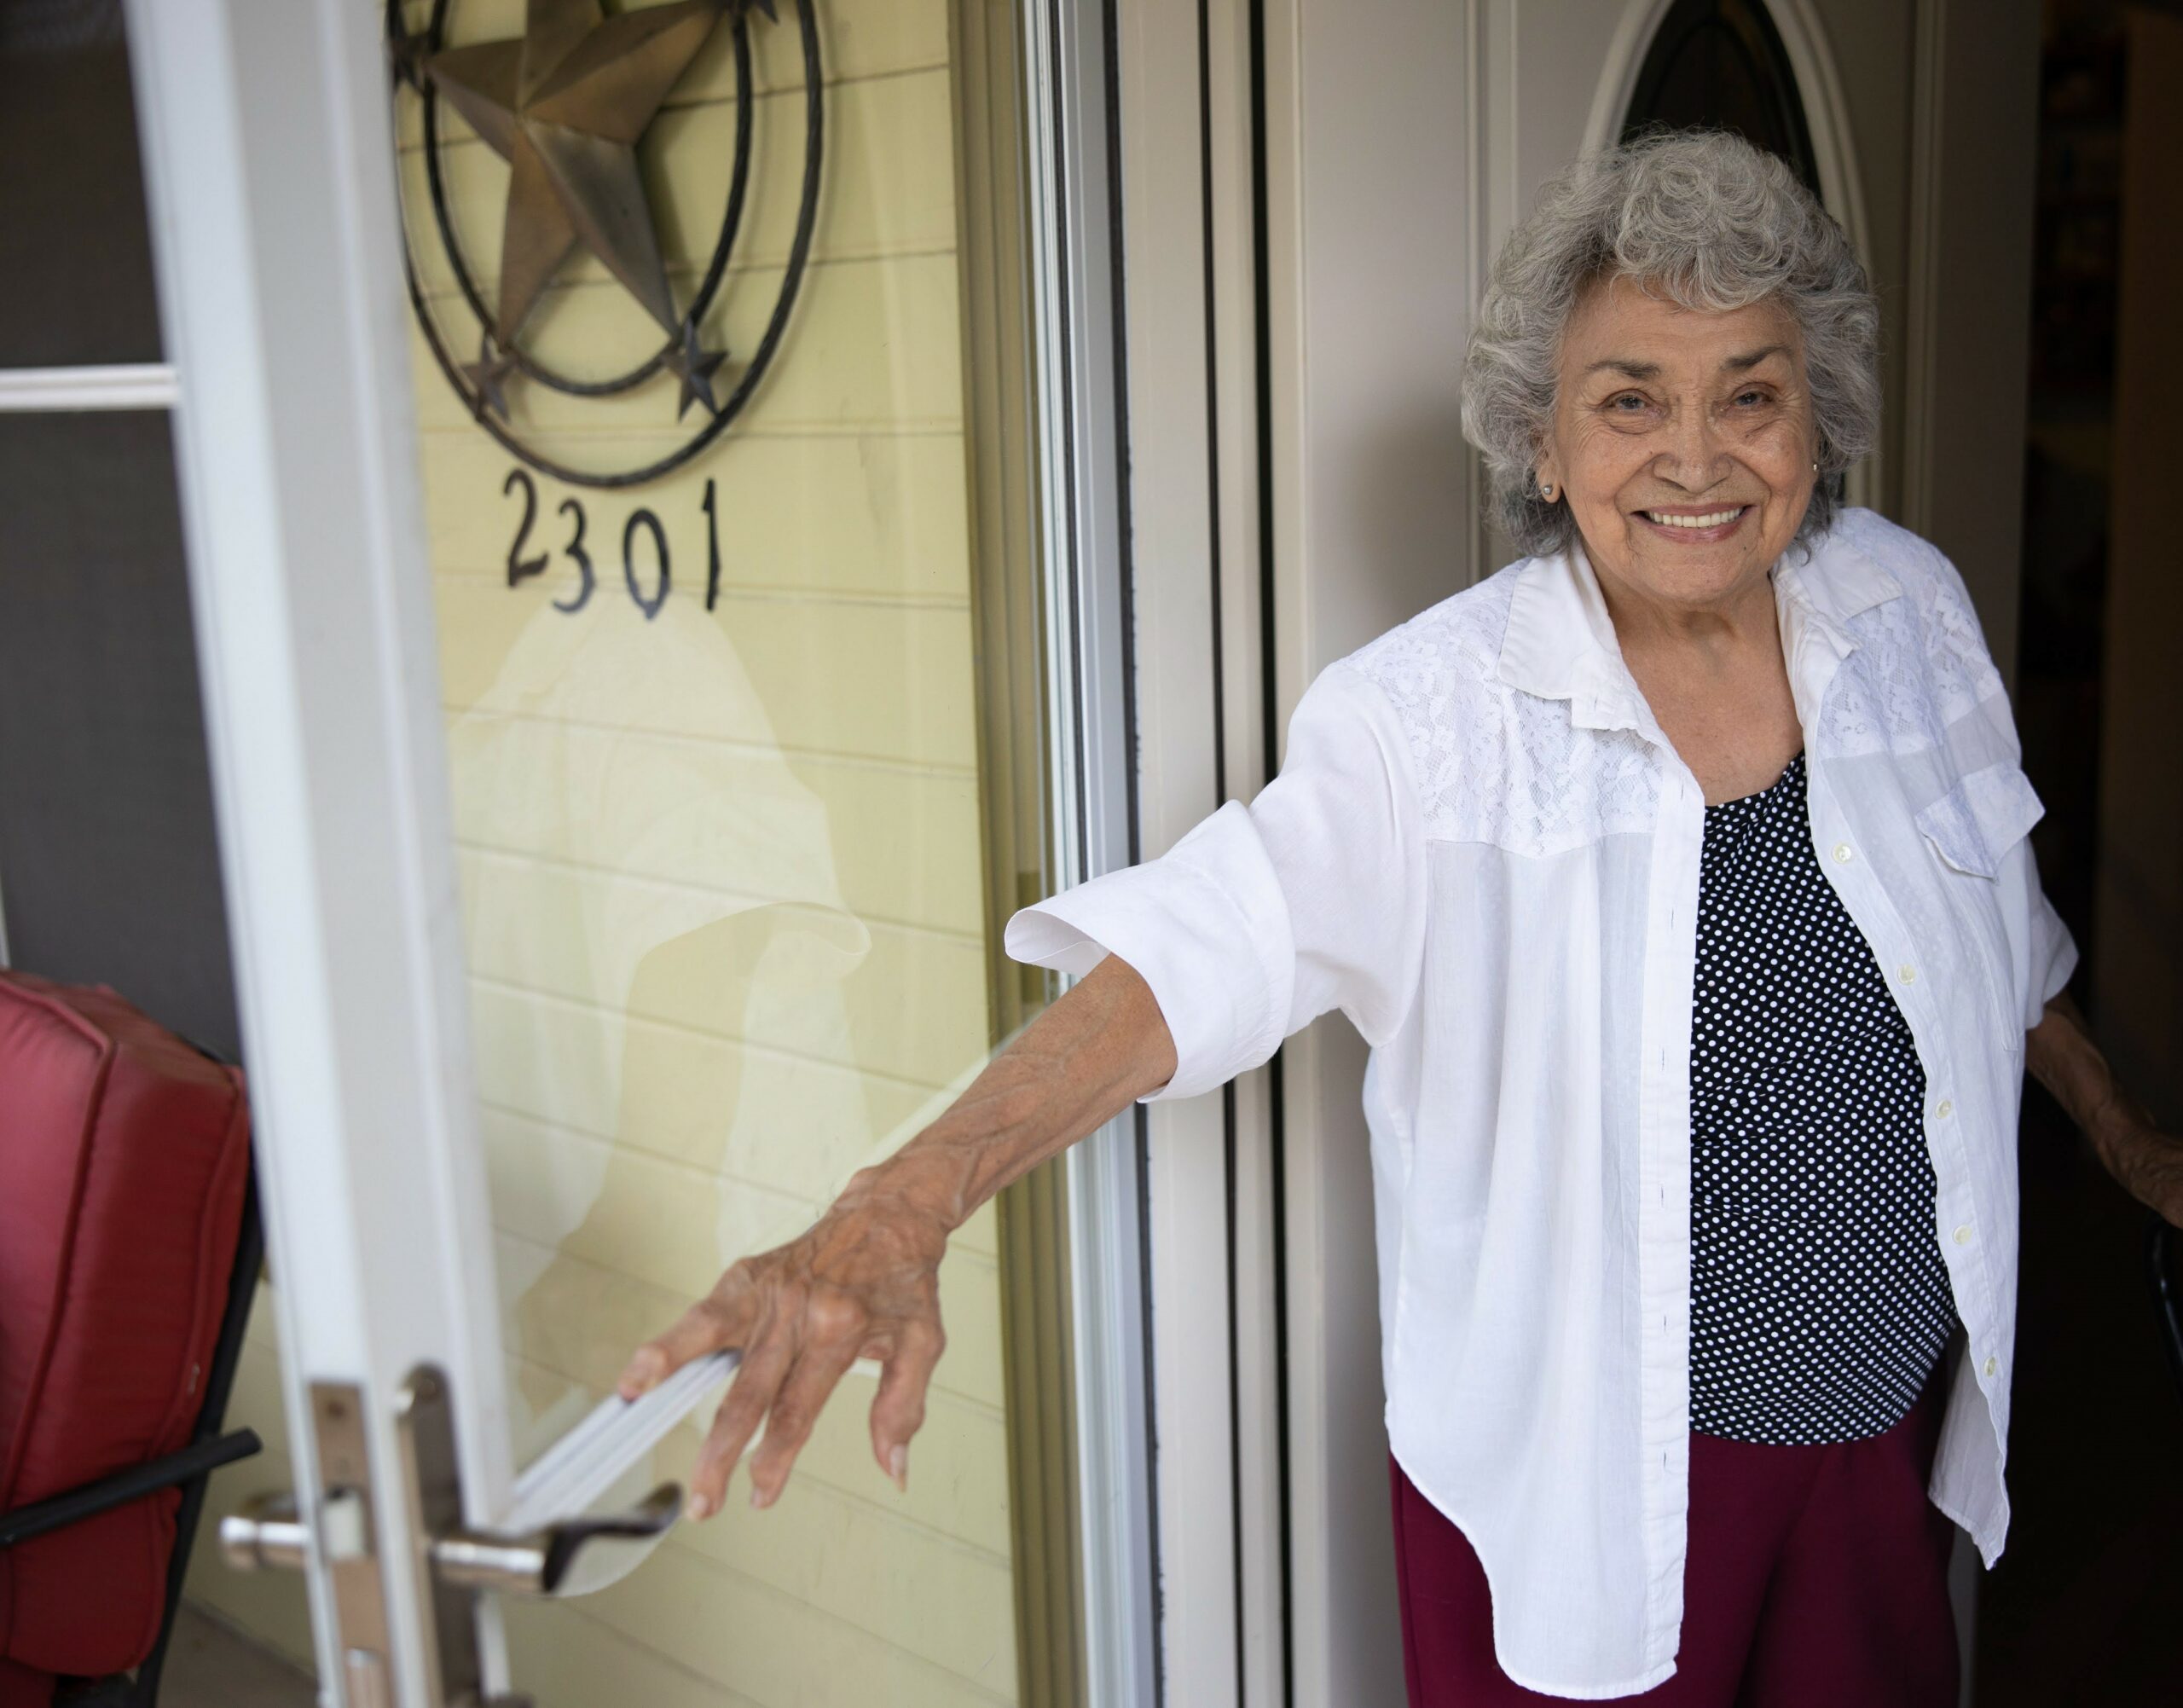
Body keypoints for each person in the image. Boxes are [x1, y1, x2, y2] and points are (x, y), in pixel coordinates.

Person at [617, 130, 2183, 1705]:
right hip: (1589, 1487)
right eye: (1629, 398)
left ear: (1815, 420)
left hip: (1874, 1436)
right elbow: (1203, 945)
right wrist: (901, 1204)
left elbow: (1996, 927)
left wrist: (2121, 1138)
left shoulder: (1904, 608)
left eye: (1750, 393)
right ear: (1542, 441)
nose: (1695, 456)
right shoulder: (1429, 716)